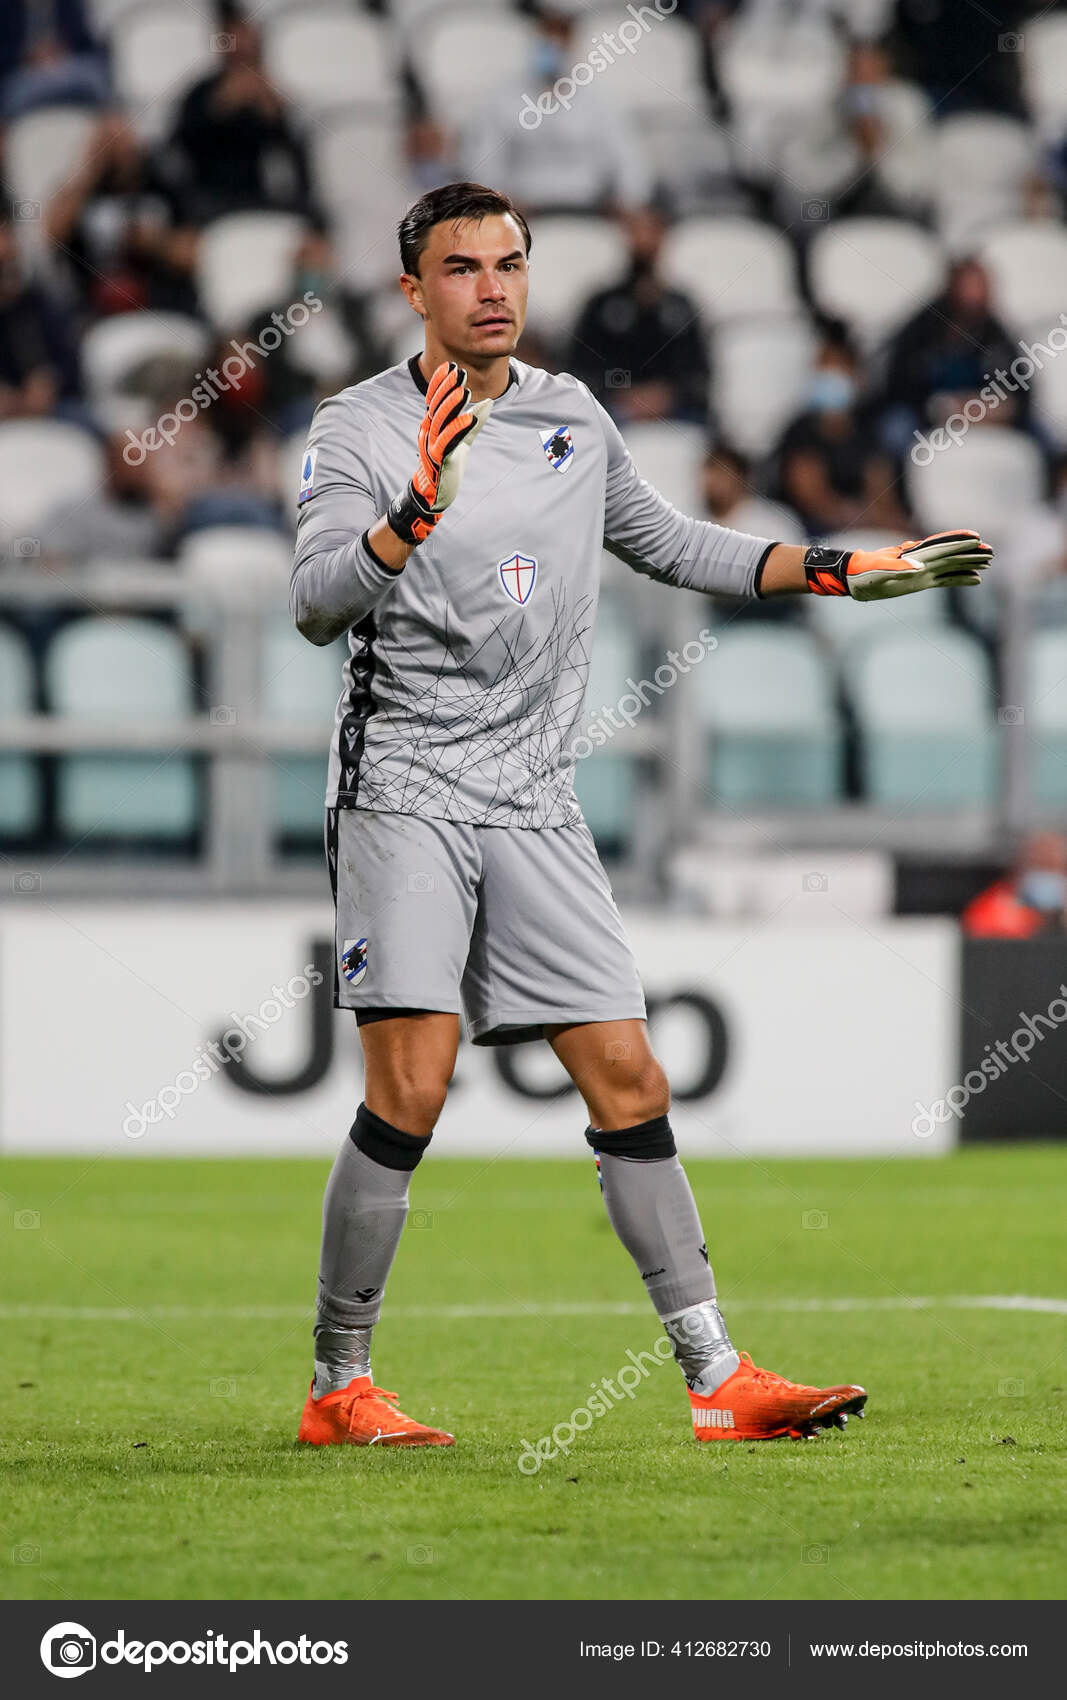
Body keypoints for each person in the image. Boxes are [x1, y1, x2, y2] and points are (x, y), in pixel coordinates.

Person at [289, 180, 992, 1450]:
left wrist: (838, 562)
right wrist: (415, 509)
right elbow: (316, 602)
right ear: (413, 291)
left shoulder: (567, 414)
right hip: (403, 781)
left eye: (508, 262)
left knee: (627, 1070)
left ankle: (716, 1377)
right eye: (461, 269)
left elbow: (674, 544)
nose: (491, 287)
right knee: (412, 1082)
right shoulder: (359, 428)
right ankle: (340, 1382)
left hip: (536, 796)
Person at [164, 4, 316, 224]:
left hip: (258, 197)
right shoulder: (201, 92)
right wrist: (221, 106)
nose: (242, 47)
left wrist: (275, 114)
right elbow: (180, 145)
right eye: (234, 39)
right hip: (208, 196)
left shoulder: (268, 95)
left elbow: (292, 157)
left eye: (246, 38)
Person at [566, 206, 709, 423]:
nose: (644, 240)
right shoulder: (600, 304)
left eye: (652, 230)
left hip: (675, 411)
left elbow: (699, 374)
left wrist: (667, 396)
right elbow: (579, 369)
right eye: (636, 230)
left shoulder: (682, 306)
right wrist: (621, 395)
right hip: (613, 410)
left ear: (664, 238)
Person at [775, 323, 911, 536]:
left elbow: (882, 495)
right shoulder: (800, 431)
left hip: (860, 528)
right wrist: (856, 516)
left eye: (838, 367)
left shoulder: (867, 431)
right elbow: (812, 498)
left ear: (856, 378)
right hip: (810, 533)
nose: (830, 375)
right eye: (823, 367)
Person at [962, 832, 1067, 939]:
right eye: (1039, 864)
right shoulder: (993, 909)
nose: (1046, 875)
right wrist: (1029, 920)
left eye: (1052, 866)